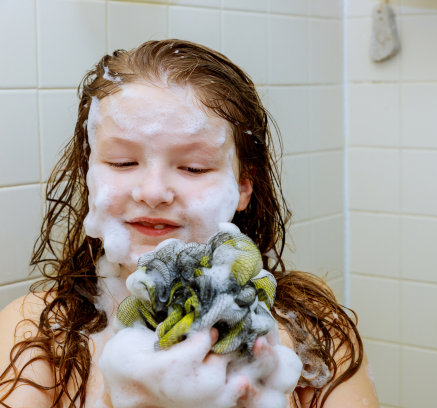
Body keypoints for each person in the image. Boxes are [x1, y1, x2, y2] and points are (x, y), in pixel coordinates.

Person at [0, 39, 378, 408]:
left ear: (243, 187)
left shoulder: (311, 331)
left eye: (192, 167)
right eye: (122, 163)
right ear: (90, 175)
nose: (153, 192)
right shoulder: (37, 332)